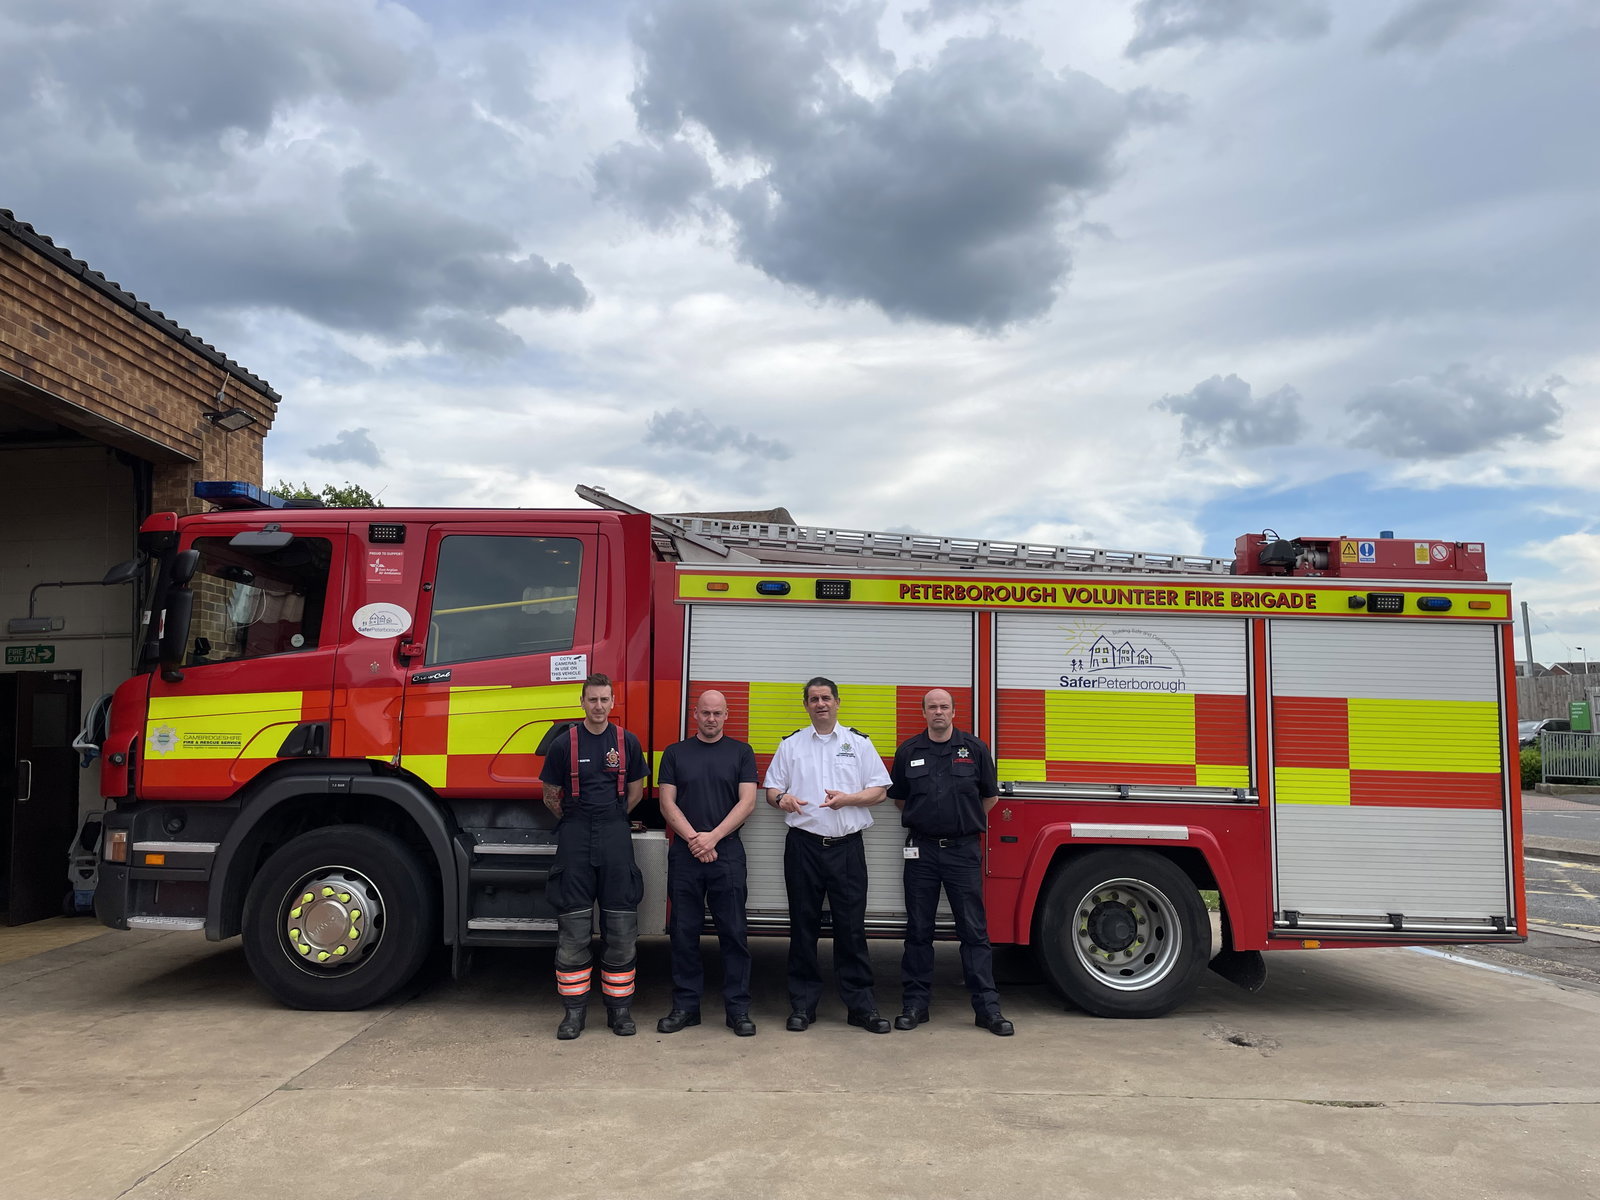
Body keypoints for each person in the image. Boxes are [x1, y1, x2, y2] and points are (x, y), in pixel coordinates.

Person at [764, 676, 893, 1034]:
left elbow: (880, 791)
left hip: (847, 848)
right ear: (805, 706)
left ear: (837, 702)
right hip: (803, 847)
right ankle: (803, 1006)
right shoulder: (791, 745)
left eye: (826, 698)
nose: (820, 704)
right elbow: (772, 789)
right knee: (803, 929)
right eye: (813, 699)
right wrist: (782, 800)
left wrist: (847, 799)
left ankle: (861, 1007)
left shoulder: (858, 743)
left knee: (851, 930)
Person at [888, 689, 1014, 1036]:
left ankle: (987, 1009)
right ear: (924, 713)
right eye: (932, 707)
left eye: (944, 707)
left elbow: (989, 797)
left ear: (954, 712)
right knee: (918, 931)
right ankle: (915, 1005)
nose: (938, 712)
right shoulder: (909, 751)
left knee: (973, 931)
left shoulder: (974, 749)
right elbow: (900, 800)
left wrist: (961, 822)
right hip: (922, 852)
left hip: (962, 852)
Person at [539, 672, 649, 1040]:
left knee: (621, 930)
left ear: (613, 703)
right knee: (573, 932)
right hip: (575, 836)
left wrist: (612, 818)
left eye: (605, 700)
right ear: (582, 702)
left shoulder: (627, 742)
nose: (598, 706)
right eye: (592, 700)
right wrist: (579, 821)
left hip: (616, 836)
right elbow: (550, 796)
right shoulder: (562, 744)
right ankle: (574, 1014)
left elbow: (635, 791)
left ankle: (620, 1012)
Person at [655, 690, 759, 1037]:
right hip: (686, 854)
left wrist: (711, 838)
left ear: (726, 715)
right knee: (684, 934)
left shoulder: (741, 753)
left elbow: (747, 803)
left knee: (734, 934)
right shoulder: (675, 753)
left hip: (726, 853)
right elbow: (667, 804)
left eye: (717, 713)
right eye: (705, 713)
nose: (711, 719)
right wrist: (695, 841)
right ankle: (685, 1007)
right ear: (694, 715)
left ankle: (738, 1010)